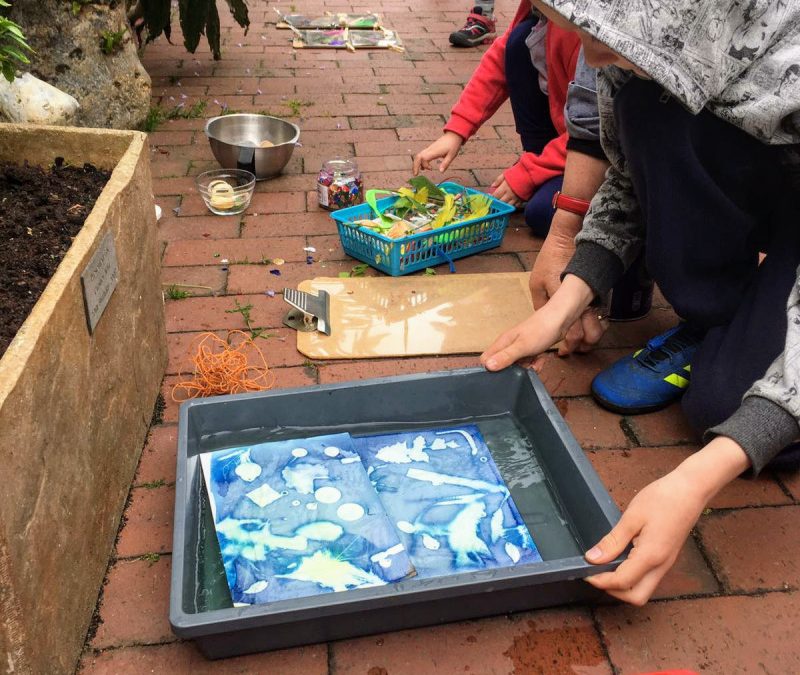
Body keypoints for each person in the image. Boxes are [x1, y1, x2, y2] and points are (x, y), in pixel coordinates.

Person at [482, 0, 800, 606]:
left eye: (603, 37)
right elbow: (625, 179)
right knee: (649, 109)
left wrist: (692, 483)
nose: (592, 56)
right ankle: (719, 317)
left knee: (731, 416)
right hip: (771, 179)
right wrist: (566, 299)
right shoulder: (635, 52)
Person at [415, 1, 608, 239]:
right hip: (573, 139)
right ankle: (541, 159)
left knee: (544, 215)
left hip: (606, 153)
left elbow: (596, 131)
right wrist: (456, 131)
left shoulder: (588, 34)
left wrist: (528, 174)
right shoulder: (542, 10)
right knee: (518, 41)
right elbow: (499, 59)